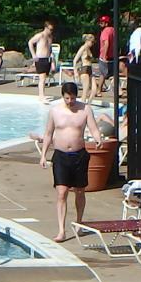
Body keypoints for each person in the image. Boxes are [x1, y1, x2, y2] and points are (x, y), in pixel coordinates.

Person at [41, 79, 95, 241]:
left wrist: (98, 139)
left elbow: (93, 128)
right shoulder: (55, 111)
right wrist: (43, 155)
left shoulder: (85, 109)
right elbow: (48, 134)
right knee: (62, 193)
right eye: (67, 98)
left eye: (72, 98)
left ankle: (79, 223)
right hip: (61, 156)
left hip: (79, 155)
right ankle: (61, 230)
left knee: (80, 191)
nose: (70, 101)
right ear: (62, 96)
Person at [27, 21, 57, 98]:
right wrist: (33, 55)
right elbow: (30, 42)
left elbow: (49, 48)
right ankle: (41, 95)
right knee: (42, 78)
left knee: (44, 77)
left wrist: (52, 62)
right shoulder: (40, 35)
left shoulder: (50, 37)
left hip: (47, 59)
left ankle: (42, 94)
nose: (51, 31)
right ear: (46, 28)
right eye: (50, 29)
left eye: (52, 30)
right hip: (40, 59)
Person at [71, 32, 96, 98]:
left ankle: (88, 102)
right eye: (92, 42)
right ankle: (83, 101)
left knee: (94, 89)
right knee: (85, 91)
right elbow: (75, 60)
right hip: (84, 68)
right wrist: (75, 71)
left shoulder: (88, 49)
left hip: (89, 68)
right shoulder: (83, 48)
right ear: (87, 41)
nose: (92, 44)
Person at [96, 14, 117, 87]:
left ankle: (99, 89)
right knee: (112, 75)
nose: (100, 24)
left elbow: (106, 43)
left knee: (102, 74)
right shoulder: (113, 30)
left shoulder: (105, 31)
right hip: (112, 56)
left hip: (105, 56)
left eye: (102, 22)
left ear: (106, 23)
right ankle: (118, 90)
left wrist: (104, 55)